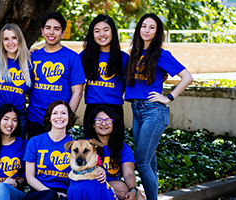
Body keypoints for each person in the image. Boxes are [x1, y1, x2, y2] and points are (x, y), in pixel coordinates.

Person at [124, 13, 193, 200]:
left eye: (152, 27)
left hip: (153, 111)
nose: (146, 30)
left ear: (157, 32)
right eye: (143, 26)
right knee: (150, 162)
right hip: (137, 111)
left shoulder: (161, 54)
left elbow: (187, 77)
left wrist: (168, 97)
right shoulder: (133, 53)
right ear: (138, 29)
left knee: (142, 163)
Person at [24, 100, 106, 200]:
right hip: (39, 192)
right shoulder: (35, 141)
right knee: (50, 196)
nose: (59, 116)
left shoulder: (75, 146)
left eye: (63, 113)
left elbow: (88, 167)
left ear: (69, 118)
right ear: (49, 118)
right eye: (55, 113)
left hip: (65, 193)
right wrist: (52, 192)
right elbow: (30, 178)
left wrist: (100, 170)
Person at [27, 12, 86, 139]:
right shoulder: (33, 57)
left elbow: (77, 92)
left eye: (57, 29)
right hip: (34, 118)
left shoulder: (72, 58)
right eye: (48, 28)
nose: (51, 32)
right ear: (42, 31)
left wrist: (66, 118)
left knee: (58, 158)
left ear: (63, 33)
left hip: (59, 121)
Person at [0, 23, 32, 139]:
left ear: (20, 40)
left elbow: (28, 90)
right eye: (6, 39)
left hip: (16, 117)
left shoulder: (27, 63)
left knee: (16, 153)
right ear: (1, 42)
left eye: (14, 38)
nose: (10, 42)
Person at [85, 106, 144, 200]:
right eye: (99, 120)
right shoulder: (85, 146)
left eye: (108, 121)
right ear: (93, 124)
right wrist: (113, 192)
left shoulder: (123, 148)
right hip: (90, 185)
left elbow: (128, 173)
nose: (103, 124)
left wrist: (133, 190)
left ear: (114, 124)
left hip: (115, 186)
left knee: (138, 196)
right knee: (122, 187)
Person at [80, 14, 128, 123]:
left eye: (106, 30)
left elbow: (133, 80)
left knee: (114, 140)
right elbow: (67, 67)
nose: (102, 34)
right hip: (92, 107)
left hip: (114, 108)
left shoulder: (123, 58)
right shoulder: (85, 56)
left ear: (112, 32)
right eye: (97, 31)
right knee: (90, 140)